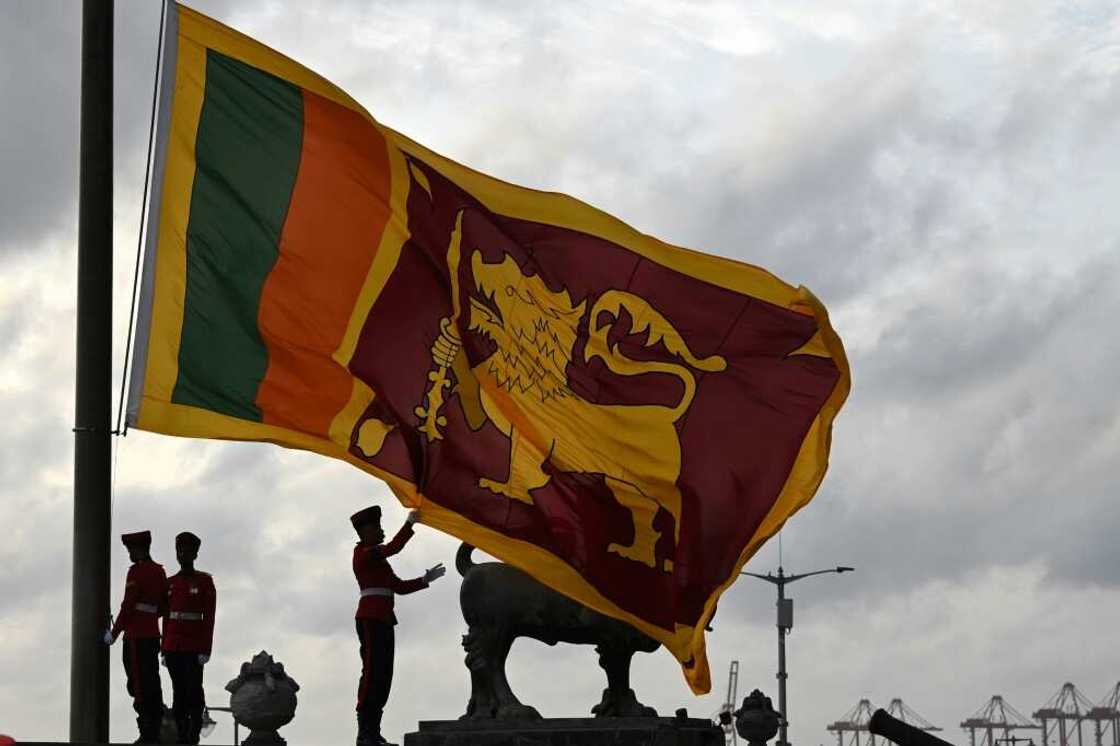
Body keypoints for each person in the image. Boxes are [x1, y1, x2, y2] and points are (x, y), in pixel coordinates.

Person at [351, 506, 445, 746]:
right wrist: (409, 524)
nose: (381, 532)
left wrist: (424, 580)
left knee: (383, 676)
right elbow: (394, 547)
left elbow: (399, 587)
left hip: (382, 618)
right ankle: (365, 734)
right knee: (372, 673)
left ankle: (374, 732)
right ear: (365, 532)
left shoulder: (378, 560)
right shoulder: (364, 554)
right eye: (377, 528)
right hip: (370, 618)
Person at [106, 530, 168, 743]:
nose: (129, 554)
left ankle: (147, 732)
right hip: (152, 634)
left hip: (136, 635)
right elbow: (162, 607)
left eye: (131, 550)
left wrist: (113, 634)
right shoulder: (159, 572)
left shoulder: (136, 572)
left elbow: (128, 605)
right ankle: (155, 727)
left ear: (138, 549)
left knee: (138, 684)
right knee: (152, 681)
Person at [162, 531, 216, 744]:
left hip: (194, 647)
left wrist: (205, 649)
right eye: (179, 550)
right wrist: (163, 647)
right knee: (178, 692)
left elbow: (208, 618)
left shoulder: (204, 581)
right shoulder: (170, 583)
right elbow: (166, 617)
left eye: (186, 551)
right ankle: (182, 735)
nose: (182, 554)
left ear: (195, 554)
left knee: (194, 690)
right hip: (173, 646)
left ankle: (192, 735)